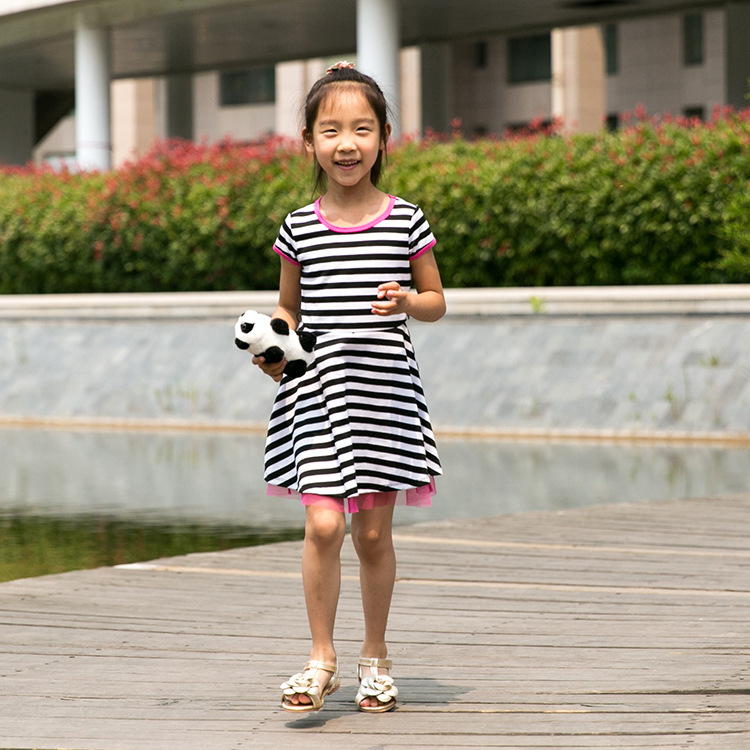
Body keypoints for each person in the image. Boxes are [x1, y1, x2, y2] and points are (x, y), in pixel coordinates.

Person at [253, 61, 446, 714]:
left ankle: (375, 656)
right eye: (330, 129)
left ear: (384, 136)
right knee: (324, 523)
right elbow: (289, 312)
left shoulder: (406, 221)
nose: (346, 142)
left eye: (362, 128)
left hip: (384, 401)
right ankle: (320, 659)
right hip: (314, 399)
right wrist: (270, 346)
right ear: (307, 140)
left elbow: (437, 300)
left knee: (370, 537)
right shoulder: (297, 228)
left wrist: (407, 303)